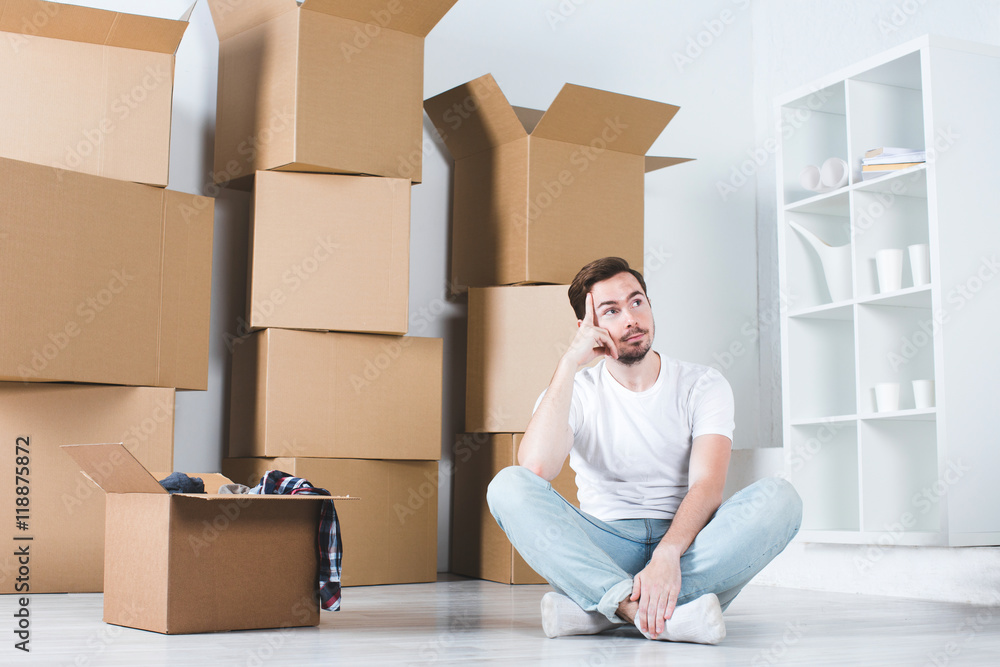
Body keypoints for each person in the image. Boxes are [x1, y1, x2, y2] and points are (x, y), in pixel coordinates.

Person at [486, 257, 802, 644]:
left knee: (781, 499)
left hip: (688, 548)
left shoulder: (703, 384)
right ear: (588, 326)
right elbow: (535, 467)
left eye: (637, 302)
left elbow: (707, 486)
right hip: (605, 546)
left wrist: (668, 555)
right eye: (612, 311)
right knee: (507, 485)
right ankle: (646, 611)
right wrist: (570, 361)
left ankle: (603, 609)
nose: (631, 318)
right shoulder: (577, 391)